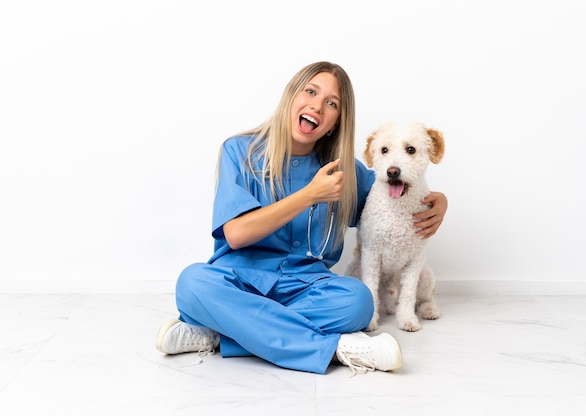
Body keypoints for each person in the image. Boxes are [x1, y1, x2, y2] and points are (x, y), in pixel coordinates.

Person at [155, 61, 448, 375]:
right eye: (310, 91)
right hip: (238, 281)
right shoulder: (238, 151)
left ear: (336, 121)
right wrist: (309, 195)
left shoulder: (345, 171)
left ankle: (220, 332)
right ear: (291, 96)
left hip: (307, 288)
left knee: (358, 302)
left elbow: (387, 196)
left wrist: (440, 202)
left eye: (331, 103)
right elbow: (237, 234)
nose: (317, 106)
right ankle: (337, 349)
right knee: (193, 283)